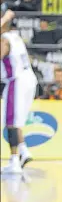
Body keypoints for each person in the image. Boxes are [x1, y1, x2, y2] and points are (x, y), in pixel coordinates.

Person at [1, 9, 38, 175]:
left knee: (11, 122)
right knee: (17, 121)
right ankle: (23, 152)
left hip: (17, 81)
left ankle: (14, 161)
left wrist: (4, 18)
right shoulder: (15, 36)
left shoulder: (5, 40)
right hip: (28, 79)